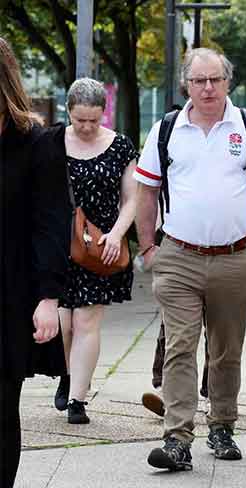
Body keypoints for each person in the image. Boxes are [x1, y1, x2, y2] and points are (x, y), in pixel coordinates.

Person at [134, 48, 246, 471]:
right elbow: (146, 192)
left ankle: (222, 426)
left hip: (236, 258)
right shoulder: (166, 130)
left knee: (225, 351)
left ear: (227, 82)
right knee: (180, 346)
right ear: (187, 85)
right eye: (199, 81)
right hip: (178, 256)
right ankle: (177, 437)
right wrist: (148, 249)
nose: (208, 88)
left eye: (215, 79)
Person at [0, 36, 72, 488]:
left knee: (1, 410)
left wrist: (49, 298)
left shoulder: (36, 142)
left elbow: (51, 223)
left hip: (10, 295)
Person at [54, 78, 138, 425]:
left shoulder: (120, 146)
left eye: (93, 119)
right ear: (69, 112)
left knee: (86, 321)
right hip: (58, 244)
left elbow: (132, 198)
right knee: (63, 324)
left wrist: (117, 235)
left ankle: (77, 399)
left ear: (104, 112)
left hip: (100, 247)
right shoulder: (52, 142)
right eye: (79, 120)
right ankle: (67, 372)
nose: (87, 127)